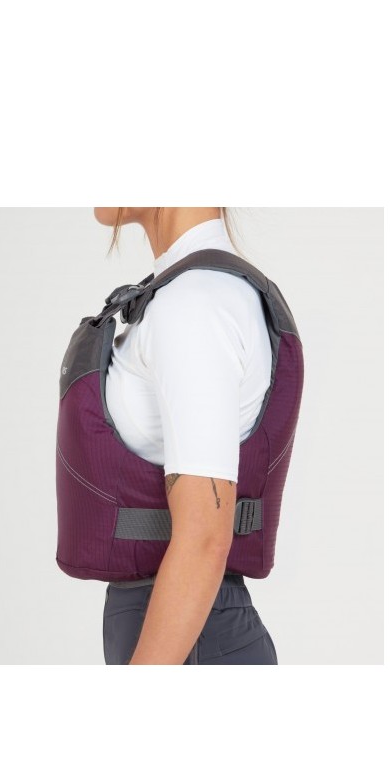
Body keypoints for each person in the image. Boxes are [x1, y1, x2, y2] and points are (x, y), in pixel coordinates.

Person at [92, 207, 282, 664]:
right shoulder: (185, 293)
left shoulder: (193, 304)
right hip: (190, 632)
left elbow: (203, 540)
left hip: (192, 639)